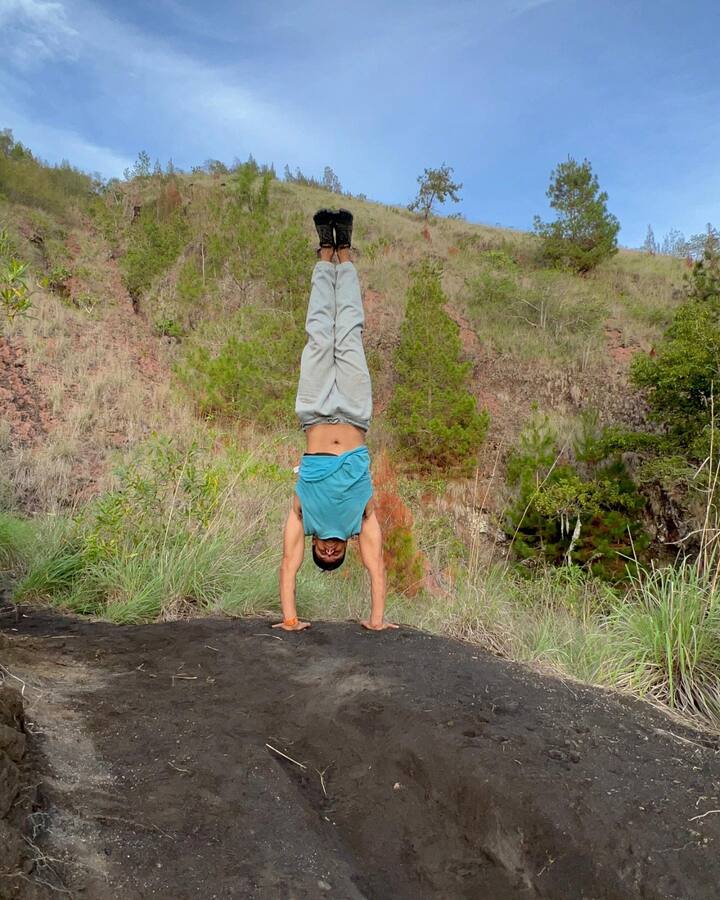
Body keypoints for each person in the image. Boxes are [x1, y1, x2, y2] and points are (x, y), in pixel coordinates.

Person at [273, 208, 398, 633]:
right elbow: (377, 566)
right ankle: (344, 252)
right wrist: (376, 620)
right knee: (348, 332)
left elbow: (287, 564)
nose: (328, 553)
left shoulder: (303, 516)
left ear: (314, 547)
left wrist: (290, 618)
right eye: (335, 557)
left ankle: (324, 253)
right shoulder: (361, 521)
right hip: (355, 411)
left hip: (314, 411)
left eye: (322, 556)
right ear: (345, 549)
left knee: (318, 333)